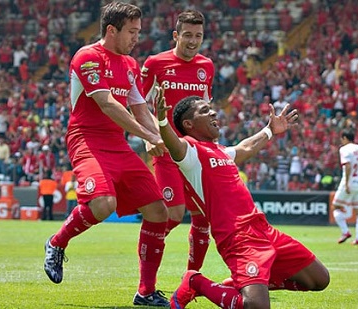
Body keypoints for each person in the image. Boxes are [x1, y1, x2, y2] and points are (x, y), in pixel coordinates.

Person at [43, 2, 170, 307]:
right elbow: (108, 105)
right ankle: (56, 243)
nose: (136, 38)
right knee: (102, 203)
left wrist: (162, 134)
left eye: (138, 31)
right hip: (86, 139)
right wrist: (150, 136)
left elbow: (140, 108)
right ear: (111, 30)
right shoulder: (87, 57)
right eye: (132, 31)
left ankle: (145, 292)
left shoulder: (128, 64)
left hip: (117, 143)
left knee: (158, 212)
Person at [157, 94, 329, 309]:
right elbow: (174, 146)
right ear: (188, 124)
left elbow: (246, 148)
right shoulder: (190, 153)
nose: (212, 112)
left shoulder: (219, 151)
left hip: (263, 230)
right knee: (256, 306)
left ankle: (244, 283)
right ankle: (195, 281)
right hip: (237, 236)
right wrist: (163, 121)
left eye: (210, 108)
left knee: (319, 279)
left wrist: (269, 130)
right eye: (204, 111)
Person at [141, 9, 215, 272]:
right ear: (175, 35)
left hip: (196, 152)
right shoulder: (155, 63)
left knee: (203, 217)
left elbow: (205, 109)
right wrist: (149, 135)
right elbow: (136, 102)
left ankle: (191, 279)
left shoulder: (206, 66)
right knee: (173, 214)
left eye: (198, 35)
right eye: (187, 35)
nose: (193, 41)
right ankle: (148, 248)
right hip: (166, 147)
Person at [331, 130, 358, 246]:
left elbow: (347, 165)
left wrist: (347, 183)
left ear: (345, 138)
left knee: (335, 206)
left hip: (349, 182)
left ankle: (345, 232)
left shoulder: (345, 149)